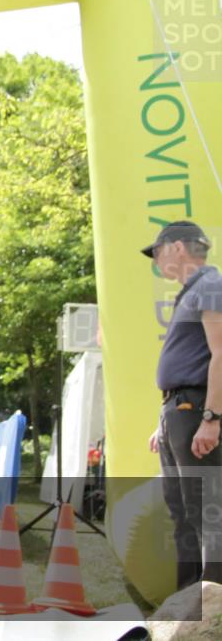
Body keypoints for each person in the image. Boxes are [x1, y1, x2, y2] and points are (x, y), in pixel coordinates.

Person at [143, 221, 221, 587]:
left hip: (197, 408)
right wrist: (165, 420)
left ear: (177, 247)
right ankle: (186, 606)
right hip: (179, 410)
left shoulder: (211, 285)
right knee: (183, 513)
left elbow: (220, 353)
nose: (155, 261)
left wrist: (212, 417)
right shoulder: (192, 291)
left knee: (208, 511)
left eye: (156, 252)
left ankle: (213, 609)